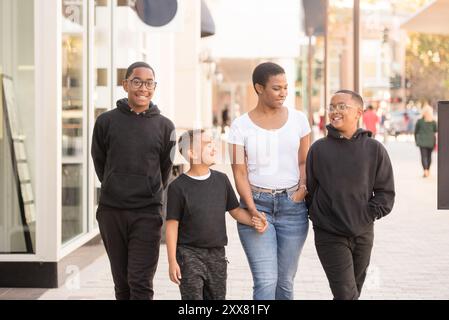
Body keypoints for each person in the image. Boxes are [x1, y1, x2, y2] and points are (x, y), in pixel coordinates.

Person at [91, 61, 175, 300]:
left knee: (140, 281)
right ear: (125, 84)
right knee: (122, 283)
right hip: (112, 212)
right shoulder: (106, 122)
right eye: (137, 82)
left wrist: (148, 189)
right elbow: (100, 161)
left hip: (147, 213)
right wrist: (114, 183)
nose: (143, 88)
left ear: (154, 87)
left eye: (149, 83)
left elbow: (164, 169)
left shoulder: (165, 126)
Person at [228, 62, 311, 300]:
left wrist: (302, 190)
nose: (283, 93)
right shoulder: (239, 126)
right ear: (259, 88)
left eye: (286, 87)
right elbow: (239, 172)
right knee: (265, 280)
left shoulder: (299, 120)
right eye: (277, 88)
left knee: (284, 283)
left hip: (293, 207)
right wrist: (252, 209)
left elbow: (304, 162)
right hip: (257, 205)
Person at [306, 90, 395, 300]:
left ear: (358, 112)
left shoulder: (374, 149)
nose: (335, 111)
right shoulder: (318, 149)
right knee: (346, 294)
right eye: (332, 107)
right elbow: (311, 189)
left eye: (342, 106)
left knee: (352, 292)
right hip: (329, 234)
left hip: (363, 234)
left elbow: (385, 192)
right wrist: (321, 217)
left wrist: (366, 215)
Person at [166, 129, 267, 300]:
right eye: (207, 144)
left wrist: (254, 221)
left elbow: (235, 211)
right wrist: (171, 261)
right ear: (191, 152)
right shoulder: (178, 187)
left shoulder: (221, 180)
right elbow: (171, 226)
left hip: (217, 255)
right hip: (189, 255)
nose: (214, 147)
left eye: (213, 143)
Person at [414, 105, 437, 178]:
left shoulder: (420, 121)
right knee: (429, 156)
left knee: (424, 157)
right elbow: (436, 130)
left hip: (422, 142)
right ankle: (428, 170)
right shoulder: (433, 122)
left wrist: (416, 140)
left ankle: (425, 170)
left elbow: (415, 132)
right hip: (431, 142)